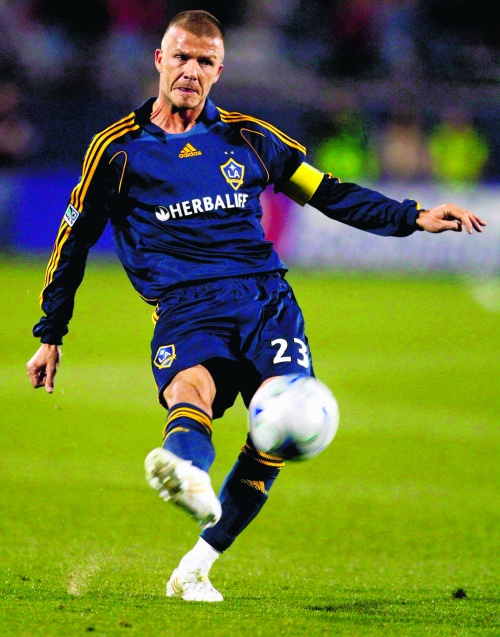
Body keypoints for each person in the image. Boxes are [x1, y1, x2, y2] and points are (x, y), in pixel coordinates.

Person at [26, 10, 486, 603]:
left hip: (266, 300)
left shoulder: (249, 138)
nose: (191, 71)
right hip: (186, 305)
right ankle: (185, 471)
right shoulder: (117, 151)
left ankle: (197, 566)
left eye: (205, 61)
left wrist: (412, 216)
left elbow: (328, 192)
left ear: (219, 70)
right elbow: (73, 239)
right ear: (159, 60)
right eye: (181, 57)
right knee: (191, 389)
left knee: (282, 429)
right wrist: (52, 331)